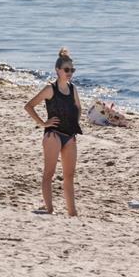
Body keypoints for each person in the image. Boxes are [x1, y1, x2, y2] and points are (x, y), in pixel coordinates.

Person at [23, 48, 83, 216]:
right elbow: (29, 106)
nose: (70, 73)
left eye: (72, 70)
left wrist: (75, 125)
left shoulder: (73, 89)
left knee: (69, 176)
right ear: (58, 70)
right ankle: (49, 209)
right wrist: (43, 123)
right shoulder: (50, 89)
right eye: (67, 70)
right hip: (53, 135)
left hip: (70, 136)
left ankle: (72, 212)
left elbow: (78, 107)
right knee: (49, 173)